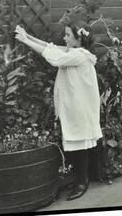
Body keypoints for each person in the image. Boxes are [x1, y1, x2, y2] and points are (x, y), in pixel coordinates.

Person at [14, 23, 102, 201]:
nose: (64, 38)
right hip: (75, 105)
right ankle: (78, 178)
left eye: (68, 35)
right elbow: (49, 48)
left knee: (80, 145)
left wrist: (25, 40)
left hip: (80, 107)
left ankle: (82, 182)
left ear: (78, 39)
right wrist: (27, 37)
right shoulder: (74, 51)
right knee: (75, 143)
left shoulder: (79, 55)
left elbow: (53, 58)